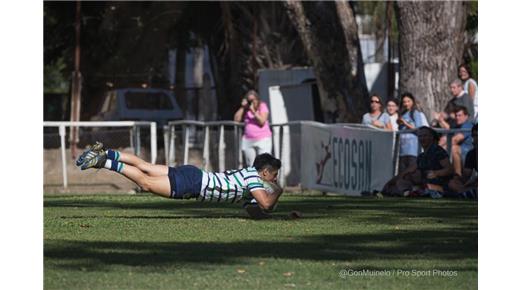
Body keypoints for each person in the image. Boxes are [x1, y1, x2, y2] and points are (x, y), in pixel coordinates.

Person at [75, 142, 283, 212]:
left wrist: (274, 210)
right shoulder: (254, 180)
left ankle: (105, 152)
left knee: (145, 167)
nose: (273, 180)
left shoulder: (247, 175)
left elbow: (257, 212)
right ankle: (103, 161)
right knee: (145, 183)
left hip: (193, 174)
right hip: (194, 183)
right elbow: (265, 204)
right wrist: (278, 192)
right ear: (264, 172)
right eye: (274, 176)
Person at [382, 126, 453, 197]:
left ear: (431, 137)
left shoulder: (438, 151)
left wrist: (436, 173)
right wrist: (389, 183)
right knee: (401, 181)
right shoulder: (421, 156)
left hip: (437, 185)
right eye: (420, 136)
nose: (422, 138)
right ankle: (408, 193)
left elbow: (449, 169)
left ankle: (409, 192)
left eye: (425, 136)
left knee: (413, 185)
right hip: (423, 185)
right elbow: (407, 171)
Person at [234, 90, 273, 167]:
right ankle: (253, 178)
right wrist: (242, 107)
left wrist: (253, 112)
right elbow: (236, 120)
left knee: (264, 163)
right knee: (251, 165)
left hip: (263, 139)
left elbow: (262, 121)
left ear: (257, 99)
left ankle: (263, 179)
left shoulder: (262, 106)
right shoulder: (245, 109)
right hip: (248, 140)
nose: (251, 103)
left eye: (252, 100)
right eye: (249, 100)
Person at [396, 92, 429, 174]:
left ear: (412, 102)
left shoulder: (415, 113)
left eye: (408, 101)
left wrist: (406, 124)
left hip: (413, 150)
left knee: (412, 173)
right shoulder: (402, 114)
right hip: (403, 150)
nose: (406, 104)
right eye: (404, 102)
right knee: (403, 174)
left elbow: (419, 129)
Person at [448, 123, 477, 198]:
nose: (474, 139)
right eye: (473, 136)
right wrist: (456, 178)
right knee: (452, 183)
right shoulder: (472, 154)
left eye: (477, 135)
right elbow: (465, 177)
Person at [450, 106, 474, 176]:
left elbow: (456, 139)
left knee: (454, 148)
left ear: (466, 116)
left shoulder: (468, 125)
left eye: (460, 115)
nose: (457, 117)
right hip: (462, 152)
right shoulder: (458, 126)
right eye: (456, 115)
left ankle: (458, 176)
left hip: (469, 152)